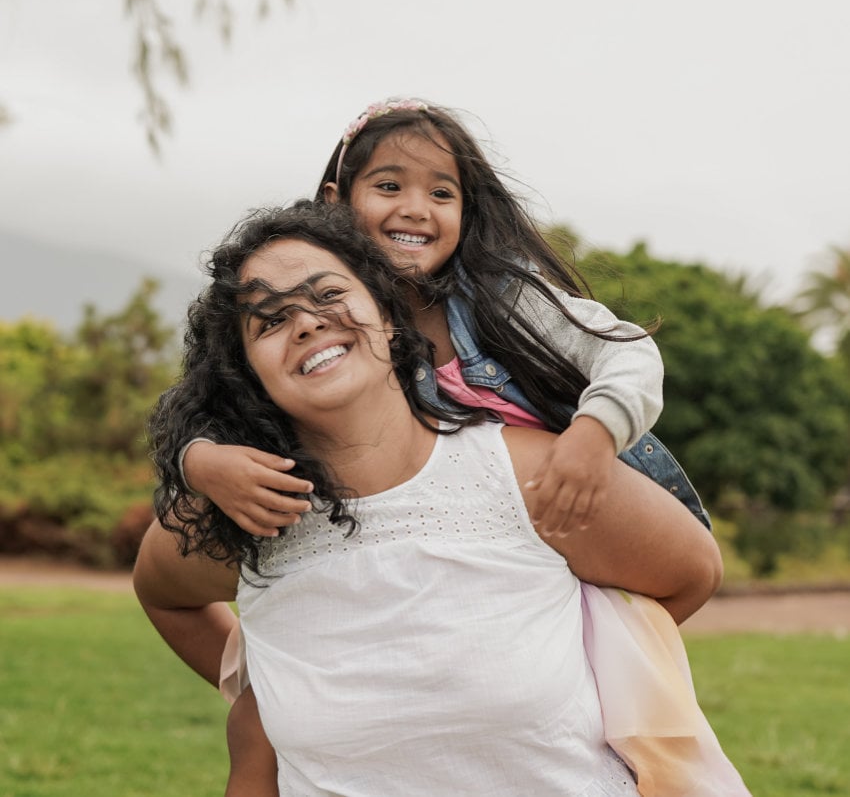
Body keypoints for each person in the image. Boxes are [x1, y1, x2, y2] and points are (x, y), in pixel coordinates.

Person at [135, 202, 749, 796]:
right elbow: (162, 593)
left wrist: (603, 666)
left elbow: (691, 573)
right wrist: (259, 696)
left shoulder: (523, 472)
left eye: (328, 295)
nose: (306, 322)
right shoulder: (247, 511)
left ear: (387, 312)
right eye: (269, 320)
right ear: (246, 370)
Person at [178, 97, 710, 543]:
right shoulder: (318, 326)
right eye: (389, 187)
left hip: (592, 520)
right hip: (466, 544)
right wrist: (202, 465)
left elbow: (627, 349)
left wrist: (595, 433)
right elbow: (216, 397)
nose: (416, 208)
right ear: (335, 203)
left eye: (441, 193)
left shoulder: (502, 298)